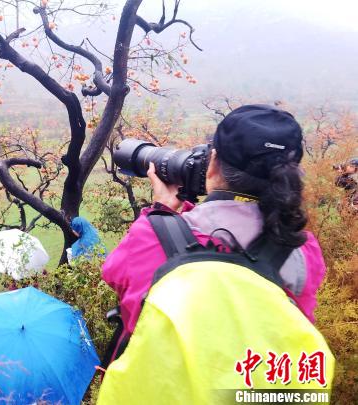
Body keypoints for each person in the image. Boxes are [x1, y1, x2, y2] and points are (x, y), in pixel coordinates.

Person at [97, 105, 334, 403]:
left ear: (212, 165)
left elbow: (117, 279)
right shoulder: (302, 249)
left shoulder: (153, 235)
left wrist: (162, 213)